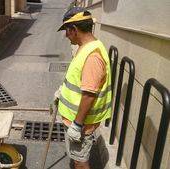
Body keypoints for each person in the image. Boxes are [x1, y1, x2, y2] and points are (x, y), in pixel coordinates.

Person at [55, 7, 112, 169]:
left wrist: (77, 125)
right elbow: (78, 82)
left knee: (80, 163)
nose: (66, 36)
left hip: (81, 124)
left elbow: (89, 94)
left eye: (67, 31)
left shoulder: (92, 56)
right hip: (76, 120)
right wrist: (61, 92)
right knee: (77, 159)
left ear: (74, 29)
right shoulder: (86, 47)